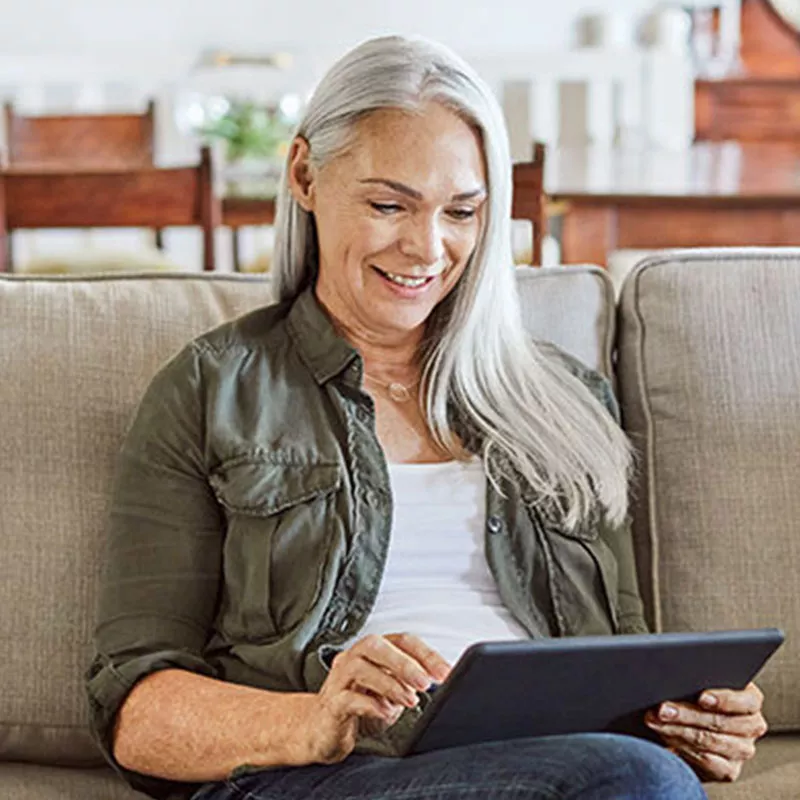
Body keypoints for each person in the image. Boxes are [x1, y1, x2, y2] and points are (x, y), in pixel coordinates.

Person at [86, 35, 767, 800]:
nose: (427, 247)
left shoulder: (565, 402)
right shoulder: (212, 390)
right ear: (305, 175)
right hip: (323, 776)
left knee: (638, 770)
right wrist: (313, 720)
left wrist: (688, 719)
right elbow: (135, 710)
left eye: (463, 212)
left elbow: (626, 656)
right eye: (388, 204)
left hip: (562, 765)